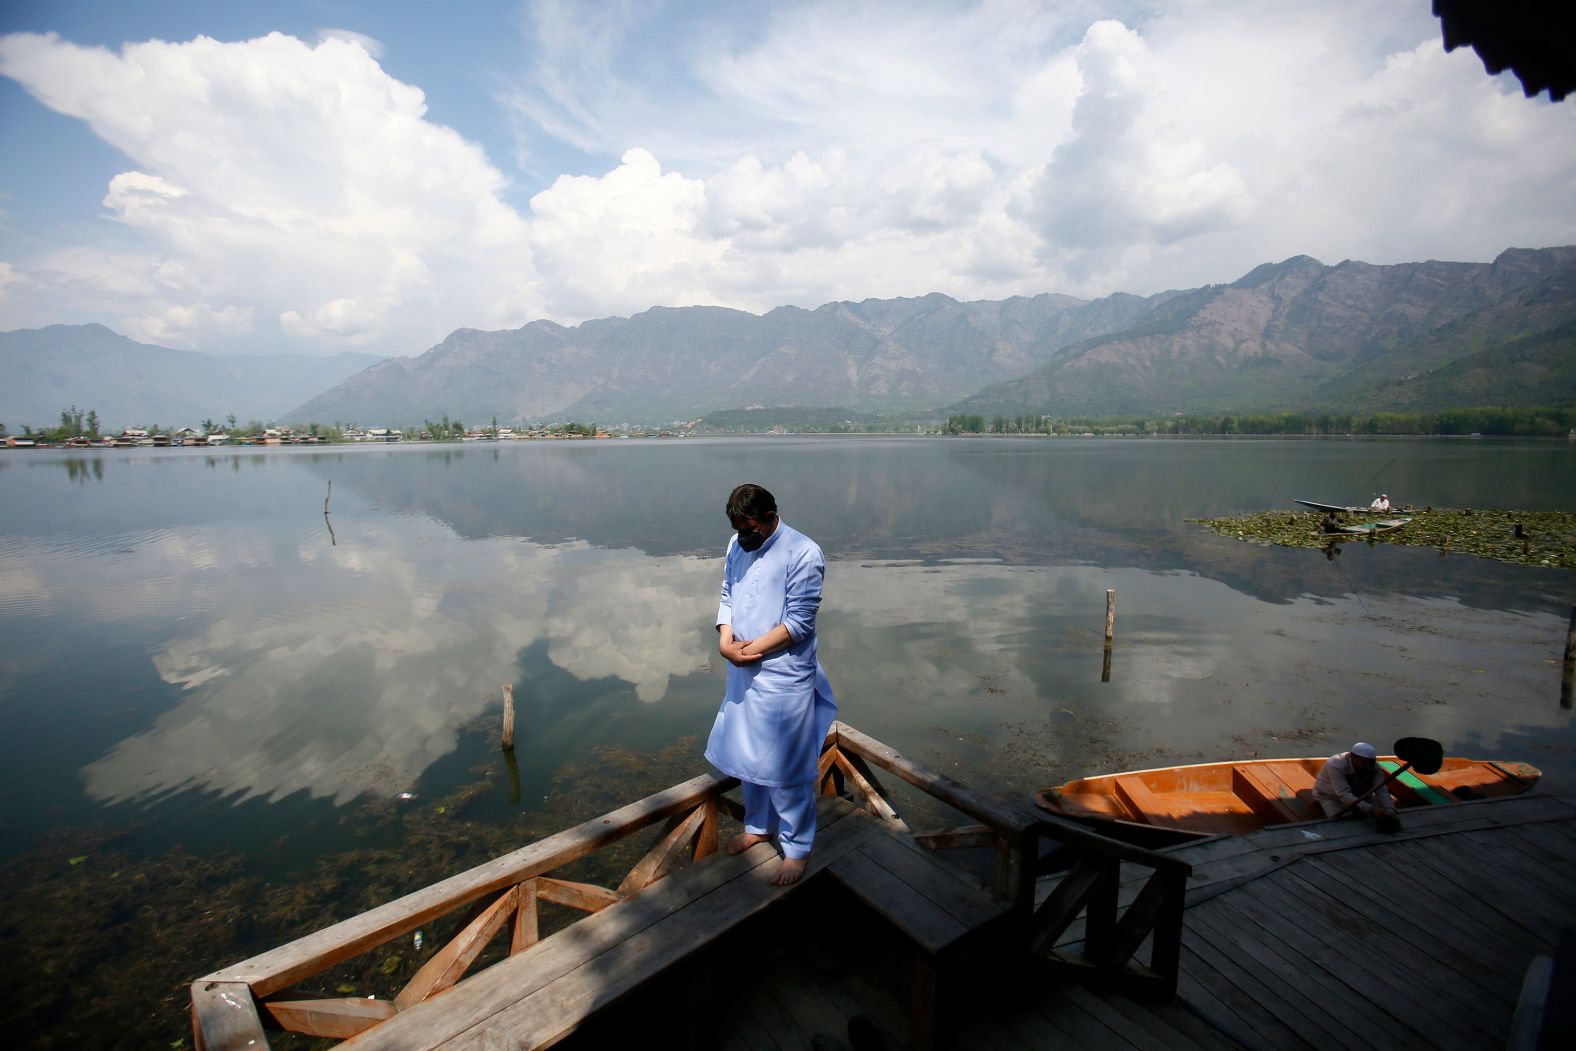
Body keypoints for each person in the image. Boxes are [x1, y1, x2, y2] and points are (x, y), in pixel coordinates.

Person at [704, 483, 838, 886]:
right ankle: (757, 827)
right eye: (738, 528)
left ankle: (797, 848)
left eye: (750, 528)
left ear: (768, 517)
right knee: (749, 757)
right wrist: (725, 639)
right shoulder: (736, 544)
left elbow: (799, 623)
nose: (745, 536)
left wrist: (749, 650)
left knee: (787, 765)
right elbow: (728, 593)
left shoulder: (802, 552)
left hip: (783, 676)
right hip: (742, 667)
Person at [1313, 742, 1399, 831]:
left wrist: (1390, 810)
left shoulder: (1374, 767)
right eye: (1364, 764)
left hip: (1362, 795)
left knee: (1384, 816)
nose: (1368, 768)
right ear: (1353, 758)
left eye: (1371, 764)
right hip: (1332, 797)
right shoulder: (1335, 765)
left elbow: (1381, 790)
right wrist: (1371, 809)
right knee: (1345, 825)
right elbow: (1343, 794)